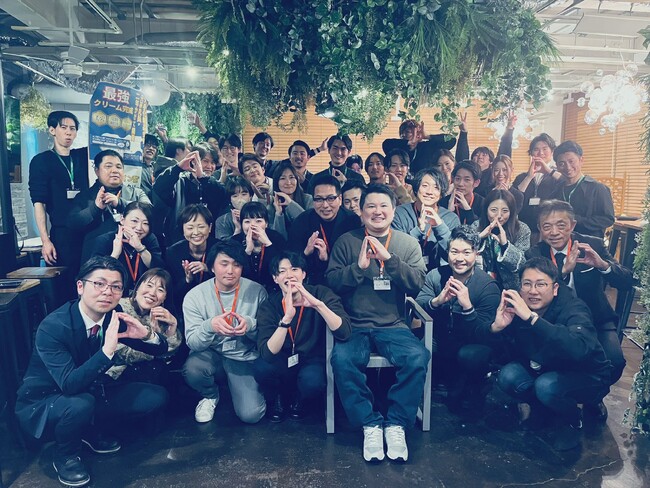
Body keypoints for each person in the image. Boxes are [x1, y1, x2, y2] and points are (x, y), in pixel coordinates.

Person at [15, 256, 169, 487]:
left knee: (154, 396)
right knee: (81, 403)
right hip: (46, 400)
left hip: (91, 388)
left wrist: (146, 335)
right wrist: (107, 352)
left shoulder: (113, 314)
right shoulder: (53, 326)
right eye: (99, 284)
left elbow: (160, 350)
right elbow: (69, 384)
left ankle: (88, 431)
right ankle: (66, 455)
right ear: (80, 287)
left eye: (116, 286)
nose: (107, 292)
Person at [326, 184, 429, 463]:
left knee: (418, 356)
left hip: (393, 325)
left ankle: (396, 424)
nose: (377, 211)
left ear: (394, 211)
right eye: (370, 206)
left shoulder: (406, 243)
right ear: (361, 212)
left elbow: (417, 284)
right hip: (354, 324)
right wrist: (358, 268)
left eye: (384, 206)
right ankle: (369, 423)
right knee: (342, 360)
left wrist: (389, 260)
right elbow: (332, 282)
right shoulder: (347, 242)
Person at [490, 257, 612, 451]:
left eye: (541, 284)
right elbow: (502, 353)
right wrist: (497, 328)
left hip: (587, 374)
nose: (533, 291)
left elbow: (579, 349)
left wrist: (533, 319)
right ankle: (541, 409)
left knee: (546, 386)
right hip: (546, 368)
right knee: (508, 376)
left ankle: (572, 419)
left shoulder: (573, 307)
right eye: (527, 284)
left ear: (555, 288)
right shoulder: (518, 309)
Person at [526, 200, 632, 415]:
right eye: (547, 226)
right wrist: (563, 273)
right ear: (540, 229)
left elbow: (627, 281)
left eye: (561, 225)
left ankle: (594, 396)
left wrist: (602, 265)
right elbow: (540, 296)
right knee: (559, 362)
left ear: (572, 225)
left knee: (615, 361)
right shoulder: (535, 254)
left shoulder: (593, 245)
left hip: (596, 318)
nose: (554, 232)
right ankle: (561, 398)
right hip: (558, 322)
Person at [254, 251, 351, 422]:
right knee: (262, 368)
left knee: (313, 381)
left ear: (304, 274)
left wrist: (318, 306)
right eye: (282, 271)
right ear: (275, 279)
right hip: (282, 359)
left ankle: (300, 398)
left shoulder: (321, 293)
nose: (289, 275)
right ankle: (279, 396)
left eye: (294, 269)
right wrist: (286, 320)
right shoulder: (270, 305)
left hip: (312, 359)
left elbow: (344, 332)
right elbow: (267, 353)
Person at [416, 226, 501, 413]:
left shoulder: (487, 286)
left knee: (470, 357)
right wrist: (437, 301)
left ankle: (476, 386)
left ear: (476, 254)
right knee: (420, 348)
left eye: (466, 252)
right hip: (441, 337)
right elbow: (418, 307)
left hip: (471, 343)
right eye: (454, 252)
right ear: (447, 252)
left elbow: (485, 332)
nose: (459, 258)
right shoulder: (436, 275)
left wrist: (467, 307)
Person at [183, 241, 268, 424]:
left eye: (236, 265)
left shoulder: (257, 291)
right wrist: (210, 326)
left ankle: (239, 389)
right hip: (212, 354)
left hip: (243, 357)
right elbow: (192, 342)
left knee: (251, 415)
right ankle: (210, 395)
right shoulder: (195, 296)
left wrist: (250, 326)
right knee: (193, 369)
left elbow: (266, 337)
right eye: (224, 264)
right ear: (212, 267)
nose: (230, 270)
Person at [28, 111, 89, 277]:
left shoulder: (82, 157)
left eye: (73, 128)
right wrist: (45, 240)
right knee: (67, 280)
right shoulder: (41, 161)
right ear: (52, 130)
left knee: (91, 277)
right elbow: (39, 203)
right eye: (64, 127)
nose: (69, 132)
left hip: (89, 230)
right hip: (63, 233)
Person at [68, 150, 151, 264]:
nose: (114, 170)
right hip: (97, 260)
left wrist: (120, 203)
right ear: (97, 170)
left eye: (118, 167)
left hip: (133, 258)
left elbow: (150, 212)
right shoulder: (84, 196)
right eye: (108, 166)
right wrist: (96, 208)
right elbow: (73, 224)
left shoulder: (136, 193)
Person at [112, 268, 182, 387]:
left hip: (149, 373)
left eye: (160, 290)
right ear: (137, 287)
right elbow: (122, 354)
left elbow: (170, 354)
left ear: (164, 298)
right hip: (117, 373)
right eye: (149, 285)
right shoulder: (119, 308)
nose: (152, 293)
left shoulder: (161, 316)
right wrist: (155, 347)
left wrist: (172, 325)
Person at [288, 175, 361, 285]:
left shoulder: (352, 221)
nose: (325, 205)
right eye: (319, 199)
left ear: (340, 199)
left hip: (343, 281)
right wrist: (306, 253)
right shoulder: (302, 221)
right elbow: (291, 261)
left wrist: (328, 258)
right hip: (313, 281)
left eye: (331, 198)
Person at [152, 148, 227, 246]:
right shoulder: (180, 182)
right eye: (205, 161)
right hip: (179, 243)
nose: (209, 166)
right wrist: (177, 168)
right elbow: (159, 189)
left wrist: (202, 178)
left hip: (209, 244)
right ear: (193, 161)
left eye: (212, 163)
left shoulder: (214, 185)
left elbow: (223, 197)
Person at [91, 201, 165, 297]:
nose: (139, 228)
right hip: (112, 294)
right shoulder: (105, 240)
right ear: (122, 220)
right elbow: (95, 275)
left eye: (145, 223)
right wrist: (115, 254)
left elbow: (158, 268)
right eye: (134, 221)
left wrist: (140, 248)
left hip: (142, 296)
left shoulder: (150, 239)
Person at [392, 168, 459, 271]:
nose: (429, 192)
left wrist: (439, 226)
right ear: (416, 188)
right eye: (425, 186)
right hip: (406, 271)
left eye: (436, 187)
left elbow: (453, 256)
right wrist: (418, 230)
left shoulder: (451, 218)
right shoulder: (400, 213)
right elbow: (398, 253)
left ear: (441, 193)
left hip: (438, 274)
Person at [470, 189, 530, 290]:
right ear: (486, 210)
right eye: (493, 210)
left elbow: (522, 264)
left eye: (505, 211)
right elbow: (466, 253)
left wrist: (505, 245)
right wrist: (479, 237)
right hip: (481, 284)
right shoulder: (476, 226)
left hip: (512, 287)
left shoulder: (522, 229)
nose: (499, 216)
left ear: (512, 212)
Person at [554, 141, 615, 239]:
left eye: (571, 161)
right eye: (562, 163)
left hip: (588, 242)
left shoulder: (597, 188)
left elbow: (608, 219)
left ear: (581, 160)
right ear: (557, 166)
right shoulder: (556, 189)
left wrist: (576, 220)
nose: (568, 167)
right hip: (560, 242)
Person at [165, 204, 218, 312]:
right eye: (190, 228)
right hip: (185, 306)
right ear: (183, 230)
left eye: (201, 227)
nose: (196, 232)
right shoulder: (173, 253)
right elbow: (172, 292)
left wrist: (209, 269)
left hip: (216, 303)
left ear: (210, 227)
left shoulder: (220, 249)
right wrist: (187, 280)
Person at [513, 133, 562, 242]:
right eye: (536, 149)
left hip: (549, 229)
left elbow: (566, 182)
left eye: (545, 149)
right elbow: (514, 198)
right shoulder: (522, 177)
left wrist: (548, 171)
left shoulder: (556, 176)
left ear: (552, 152)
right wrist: (529, 177)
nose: (541, 153)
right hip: (523, 228)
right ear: (531, 153)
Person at [230, 202, 286, 290]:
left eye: (258, 221)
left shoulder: (277, 238)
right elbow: (234, 271)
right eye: (247, 221)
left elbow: (281, 268)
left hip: (273, 289)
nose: (253, 226)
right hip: (242, 289)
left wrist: (268, 244)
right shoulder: (235, 242)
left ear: (266, 223)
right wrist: (247, 251)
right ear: (242, 224)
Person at [381, 120, 456, 175]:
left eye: (418, 131)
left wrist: (428, 136)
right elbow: (386, 144)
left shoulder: (427, 147)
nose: (415, 134)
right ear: (402, 134)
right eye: (410, 132)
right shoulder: (399, 148)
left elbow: (451, 140)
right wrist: (409, 143)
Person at [470, 113, 515, 197]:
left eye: (484, 155)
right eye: (476, 155)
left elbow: (504, 153)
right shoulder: (469, 174)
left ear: (491, 161)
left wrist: (509, 129)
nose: (480, 157)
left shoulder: (492, 174)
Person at [269, 161, 314, 238]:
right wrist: (278, 214)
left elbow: (309, 224)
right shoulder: (272, 206)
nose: (288, 182)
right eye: (283, 178)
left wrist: (290, 203)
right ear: (276, 182)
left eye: (292, 177)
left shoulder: (308, 199)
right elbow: (277, 238)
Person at [439, 160, 484, 225]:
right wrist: (449, 212)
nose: (460, 184)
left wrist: (468, 211)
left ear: (476, 183)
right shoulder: (443, 202)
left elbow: (481, 228)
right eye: (457, 179)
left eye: (467, 180)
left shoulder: (483, 204)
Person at [215, 176, 254, 240]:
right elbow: (223, 244)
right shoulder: (222, 221)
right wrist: (238, 229)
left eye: (244, 194)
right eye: (235, 196)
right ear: (230, 199)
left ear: (250, 197)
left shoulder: (259, 215)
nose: (240, 199)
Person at [139, 133, 159, 200]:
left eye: (154, 146)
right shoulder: (136, 166)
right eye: (147, 145)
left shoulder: (155, 167)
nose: (151, 148)